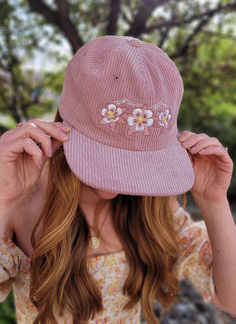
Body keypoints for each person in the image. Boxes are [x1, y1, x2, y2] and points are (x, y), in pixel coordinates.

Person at [0, 35, 235, 324]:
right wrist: (3, 196)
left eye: (134, 164)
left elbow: (231, 300)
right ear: (61, 125)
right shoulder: (24, 200)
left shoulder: (155, 205)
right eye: (102, 157)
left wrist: (214, 201)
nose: (112, 184)